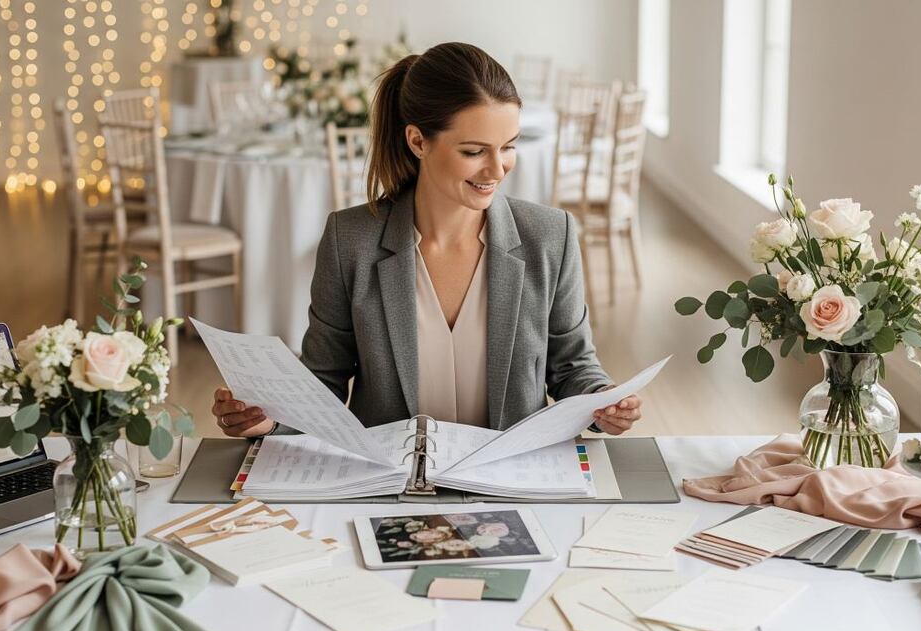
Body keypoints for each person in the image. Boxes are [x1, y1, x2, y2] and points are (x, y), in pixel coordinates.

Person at [212, 42, 641, 441]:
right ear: (418, 141)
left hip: (511, 480)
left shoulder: (551, 237)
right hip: (387, 484)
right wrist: (268, 419)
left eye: (508, 147)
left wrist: (603, 401)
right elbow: (323, 379)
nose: (497, 169)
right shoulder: (351, 240)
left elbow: (573, 368)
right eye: (474, 151)